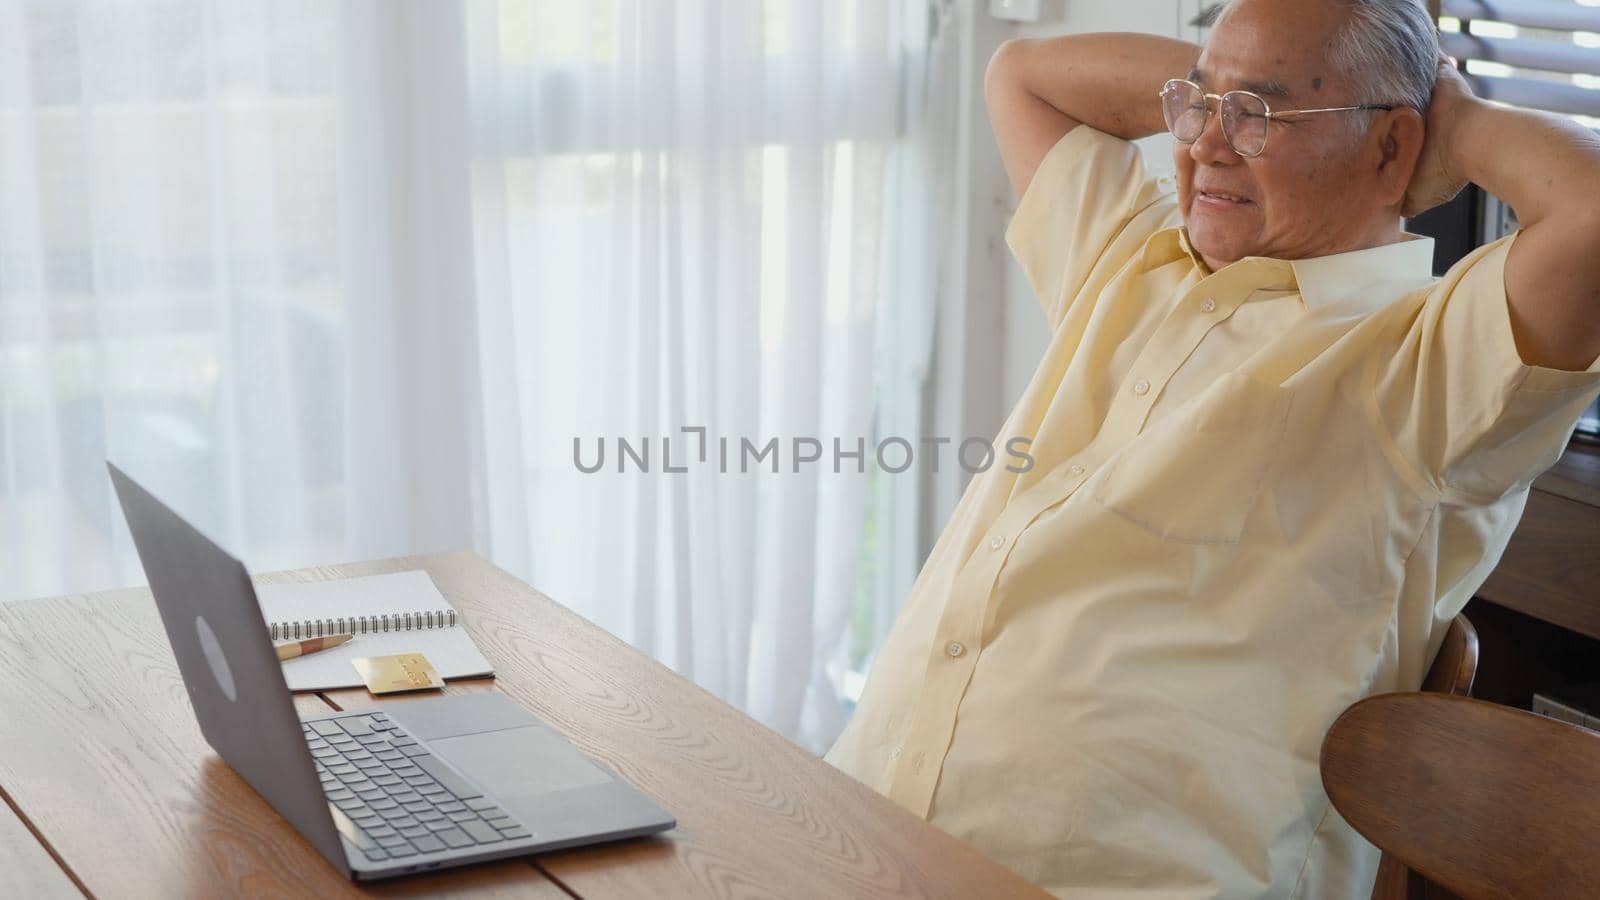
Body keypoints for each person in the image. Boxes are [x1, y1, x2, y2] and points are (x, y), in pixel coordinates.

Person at [824, 0, 1600, 896]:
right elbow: (1023, 76)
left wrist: (1449, 115)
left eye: (1261, 117)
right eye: (1197, 108)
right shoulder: (1135, 257)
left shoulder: (1428, 365)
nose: (1206, 147)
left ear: (1393, 150)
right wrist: (1232, 83)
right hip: (860, 822)